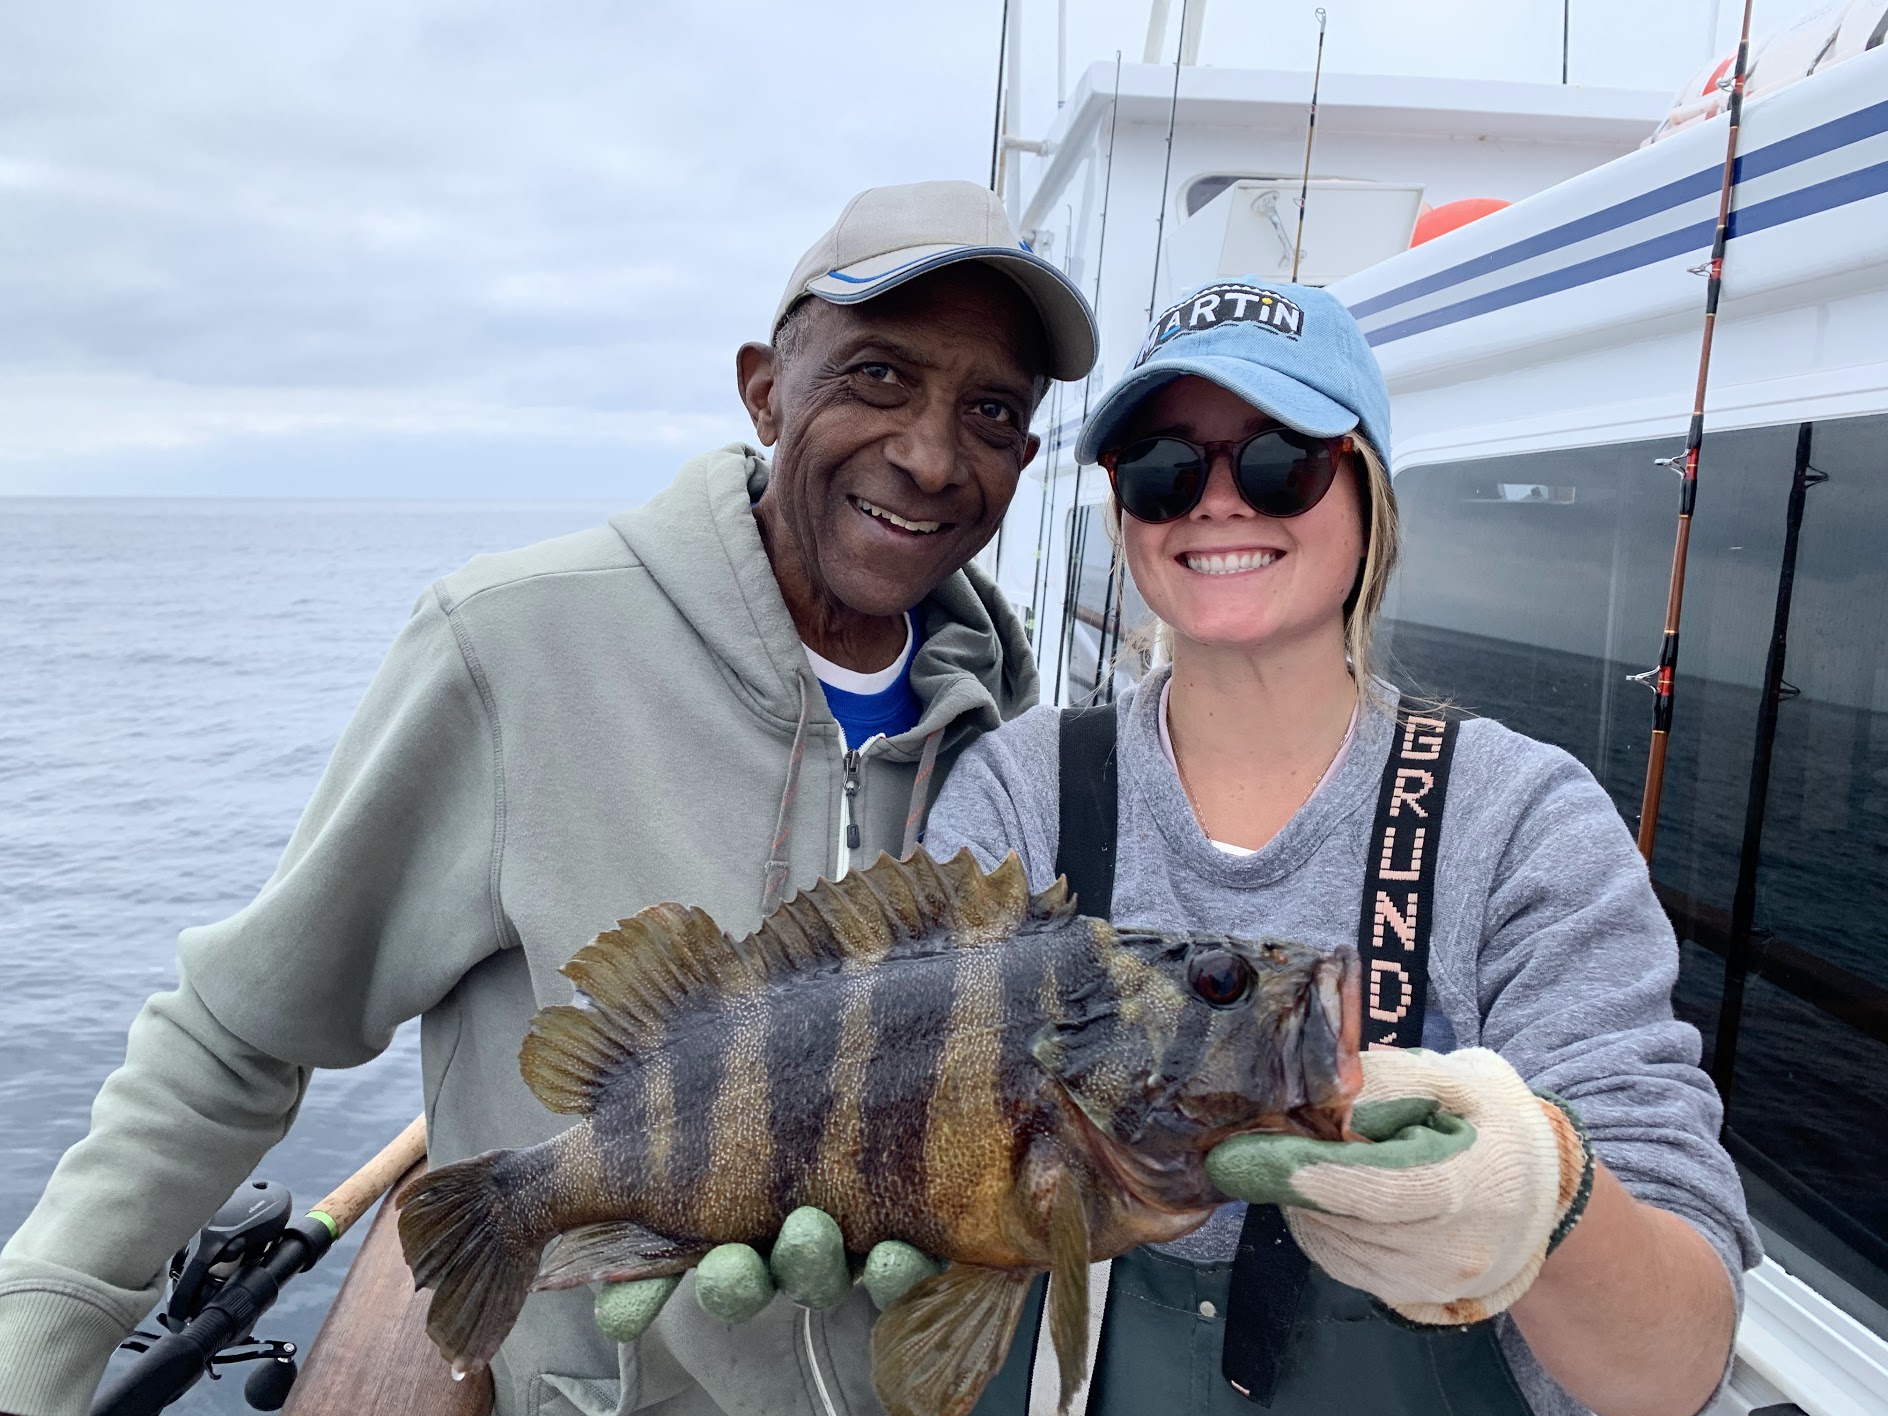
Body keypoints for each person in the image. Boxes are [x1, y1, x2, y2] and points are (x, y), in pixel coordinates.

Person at [0, 180, 1098, 1416]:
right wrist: (42, 1332)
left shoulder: (1006, 740)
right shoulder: (514, 644)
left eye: (992, 411)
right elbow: (238, 1033)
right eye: (879, 378)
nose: (930, 454)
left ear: (1026, 456)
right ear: (764, 388)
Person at [915, 278, 1761, 1416]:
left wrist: (1532, 1196)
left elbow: (1673, 1364)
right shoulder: (1018, 789)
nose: (1217, 503)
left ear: (1368, 497)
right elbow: (918, 1094)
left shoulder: (1521, 819)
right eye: (1164, 469)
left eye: (1279, 461)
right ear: (1124, 516)